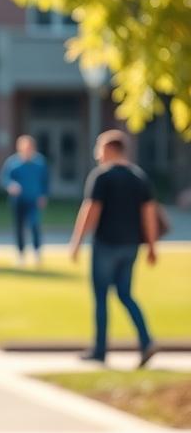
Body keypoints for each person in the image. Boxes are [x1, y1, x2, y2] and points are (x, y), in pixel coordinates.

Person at [67, 129, 159, 367]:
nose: (97, 154)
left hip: (106, 244)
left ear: (110, 149)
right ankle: (146, 340)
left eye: (99, 148)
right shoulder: (139, 177)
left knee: (100, 297)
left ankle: (99, 350)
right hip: (130, 246)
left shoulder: (102, 176)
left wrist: (76, 241)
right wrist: (151, 246)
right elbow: (149, 214)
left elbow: (91, 210)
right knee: (125, 294)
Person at [0, 134, 50, 267]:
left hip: (33, 200)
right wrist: (10, 185)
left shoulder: (40, 162)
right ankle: (21, 254)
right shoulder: (12, 162)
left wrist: (43, 195)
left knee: (34, 225)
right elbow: (5, 178)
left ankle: (37, 253)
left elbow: (45, 181)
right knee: (19, 227)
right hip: (18, 201)